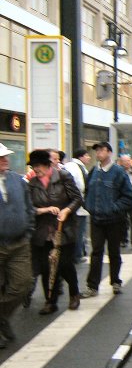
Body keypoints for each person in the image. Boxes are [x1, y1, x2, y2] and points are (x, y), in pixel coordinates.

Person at [27, 149, 83, 314]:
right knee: (46, 267)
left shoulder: (63, 177)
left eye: (38, 166)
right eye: (33, 166)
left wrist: (66, 210)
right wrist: (44, 210)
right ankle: (50, 301)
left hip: (63, 230)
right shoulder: (32, 184)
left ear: (48, 165)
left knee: (65, 264)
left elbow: (77, 199)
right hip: (43, 231)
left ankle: (74, 293)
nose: (36, 169)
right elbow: (29, 208)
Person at [83, 142, 132, 298]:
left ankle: (115, 282)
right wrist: (89, 206)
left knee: (114, 252)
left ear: (109, 152)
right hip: (97, 219)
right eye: (97, 150)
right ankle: (92, 286)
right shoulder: (94, 172)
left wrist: (114, 208)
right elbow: (87, 191)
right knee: (96, 252)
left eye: (101, 150)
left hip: (114, 220)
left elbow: (129, 196)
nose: (98, 153)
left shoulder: (118, 172)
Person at [0, 143, 34, 347]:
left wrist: (28, 230)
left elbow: (29, 208)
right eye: (1, 157)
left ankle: (1, 317)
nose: (5, 160)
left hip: (19, 243)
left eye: (6, 157)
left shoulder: (16, 180)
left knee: (23, 285)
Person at [64, 148, 91, 263]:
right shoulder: (76, 167)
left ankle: (79, 252)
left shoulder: (72, 166)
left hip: (75, 205)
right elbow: (81, 185)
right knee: (79, 231)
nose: (89, 157)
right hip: (78, 206)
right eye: (87, 155)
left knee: (79, 231)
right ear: (81, 157)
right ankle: (77, 255)